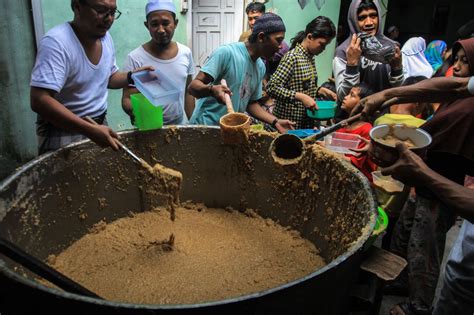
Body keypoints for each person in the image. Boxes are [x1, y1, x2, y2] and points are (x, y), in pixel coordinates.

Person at [352, 42, 474, 313]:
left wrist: (423, 175)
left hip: (442, 188)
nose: (455, 66)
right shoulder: (462, 94)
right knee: (405, 235)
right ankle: (402, 280)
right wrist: (389, 95)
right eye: (456, 59)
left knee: (426, 247)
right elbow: (452, 85)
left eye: (464, 62)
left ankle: (418, 306)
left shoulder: (467, 110)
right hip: (423, 178)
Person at [30, 0, 152, 154]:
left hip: (98, 123)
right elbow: (39, 100)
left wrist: (132, 76)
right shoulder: (57, 42)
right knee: (67, 177)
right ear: (78, 7)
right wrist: (88, 130)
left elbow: (108, 78)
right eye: (101, 10)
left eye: (113, 12)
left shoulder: (105, 38)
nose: (108, 18)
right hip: (63, 128)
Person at [188, 13, 294, 133]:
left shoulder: (260, 66)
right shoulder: (226, 53)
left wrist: (275, 121)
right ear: (261, 37)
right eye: (278, 40)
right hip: (205, 129)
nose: (281, 47)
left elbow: (251, 103)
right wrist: (212, 90)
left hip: (230, 132)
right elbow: (192, 87)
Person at [122, 0, 195, 125]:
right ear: (147, 26)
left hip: (179, 126)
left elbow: (188, 91)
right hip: (148, 129)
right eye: (154, 24)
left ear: (175, 23)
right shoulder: (135, 58)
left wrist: (193, 123)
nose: (161, 30)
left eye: (166, 23)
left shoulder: (185, 53)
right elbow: (127, 98)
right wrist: (133, 111)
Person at [266, 16, 337, 129]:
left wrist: (319, 90)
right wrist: (300, 97)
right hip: (288, 126)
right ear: (310, 37)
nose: (323, 49)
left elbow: (301, 86)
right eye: (322, 44)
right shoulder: (292, 57)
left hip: (303, 125)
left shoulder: (310, 58)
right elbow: (271, 88)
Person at [333, 0, 403, 101]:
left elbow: (398, 91)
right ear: (353, 20)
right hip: (355, 115)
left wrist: (397, 69)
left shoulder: (391, 48)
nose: (369, 23)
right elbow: (342, 97)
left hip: (382, 114)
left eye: (373, 16)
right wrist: (352, 65)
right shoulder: (344, 51)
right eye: (362, 18)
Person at [336, 84, 377, 181]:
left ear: (363, 103)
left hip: (359, 182)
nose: (345, 97)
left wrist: (327, 151)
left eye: (352, 95)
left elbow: (354, 163)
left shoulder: (366, 130)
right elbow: (335, 148)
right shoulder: (342, 127)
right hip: (342, 177)